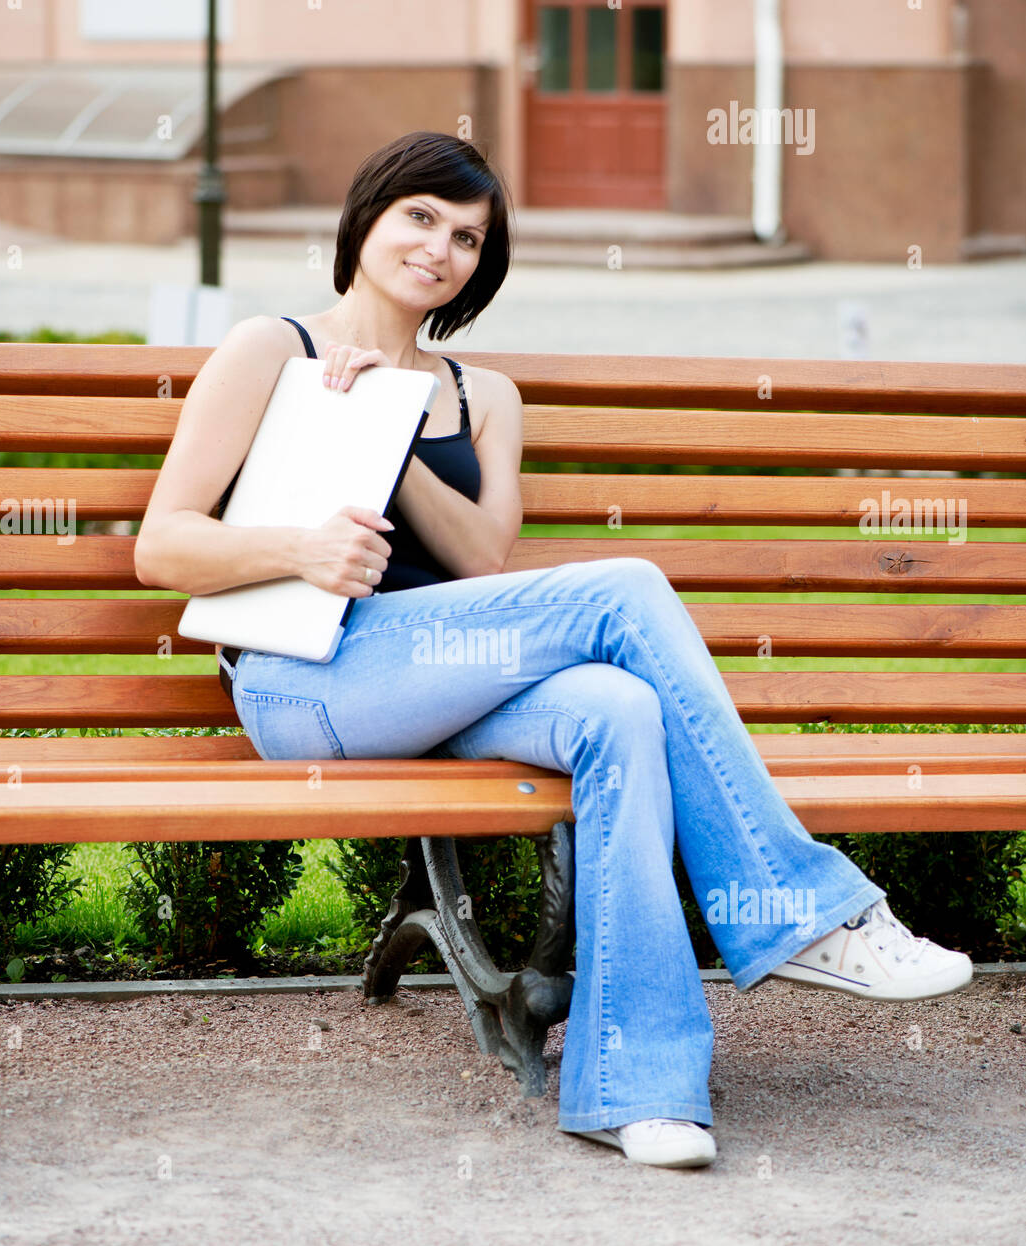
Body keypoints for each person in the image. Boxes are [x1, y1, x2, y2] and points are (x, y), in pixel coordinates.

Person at [134, 131, 973, 1170]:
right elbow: (160, 544)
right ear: (367, 218)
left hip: (437, 684)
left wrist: (385, 437)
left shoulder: (481, 395)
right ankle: (795, 910)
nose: (440, 247)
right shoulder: (274, 349)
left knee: (617, 711)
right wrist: (302, 543)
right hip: (307, 683)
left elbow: (481, 555)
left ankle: (637, 1089)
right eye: (420, 217)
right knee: (625, 587)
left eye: (468, 236)